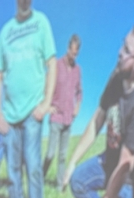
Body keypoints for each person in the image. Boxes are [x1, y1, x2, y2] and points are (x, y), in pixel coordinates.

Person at [62, 25, 134, 198]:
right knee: (78, 181)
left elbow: (125, 164)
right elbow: (97, 120)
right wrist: (72, 163)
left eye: (126, 50)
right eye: (122, 44)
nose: (119, 52)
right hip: (108, 162)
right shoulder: (117, 76)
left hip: (129, 178)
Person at [0, 0, 56, 198]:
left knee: (33, 167)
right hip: (10, 115)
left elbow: (52, 63)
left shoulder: (41, 23)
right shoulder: (5, 32)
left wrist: (46, 103)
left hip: (32, 112)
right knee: (13, 172)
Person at [43, 34, 82, 188]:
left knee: (63, 156)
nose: (74, 55)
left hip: (68, 119)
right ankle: (40, 178)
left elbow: (80, 91)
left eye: (76, 53)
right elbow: (46, 84)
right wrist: (47, 105)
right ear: (67, 48)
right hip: (56, 116)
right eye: (72, 52)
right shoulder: (57, 65)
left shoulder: (78, 70)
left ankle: (59, 186)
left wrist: (77, 106)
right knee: (51, 154)